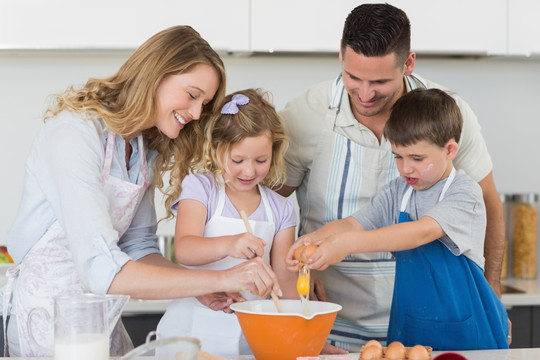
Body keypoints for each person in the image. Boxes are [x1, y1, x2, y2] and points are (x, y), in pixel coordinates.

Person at [3, 26, 281, 357]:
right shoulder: (72, 135)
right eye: (192, 95)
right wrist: (219, 280)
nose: (195, 114)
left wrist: (198, 291)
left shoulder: (141, 150)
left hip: (100, 324)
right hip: (46, 325)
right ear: (156, 74)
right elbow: (99, 268)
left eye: (203, 104)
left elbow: (138, 247)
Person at [277, 3, 507, 352]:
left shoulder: (451, 131)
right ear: (341, 53)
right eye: (354, 78)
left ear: (408, 63)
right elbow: (341, 221)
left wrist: (493, 299)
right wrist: (304, 251)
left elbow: (427, 229)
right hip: (341, 322)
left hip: (444, 324)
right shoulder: (306, 115)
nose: (366, 94)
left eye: (380, 81)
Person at [156, 88, 298, 357]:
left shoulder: (281, 208)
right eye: (237, 160)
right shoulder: (200, 189)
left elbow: (286, 285)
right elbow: (185, 249)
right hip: (191, 332)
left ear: (274, 152)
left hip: (250, 337)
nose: (248, 171)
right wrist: (230, 245)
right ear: (216, 148)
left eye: (261, 160)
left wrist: (301, 337)